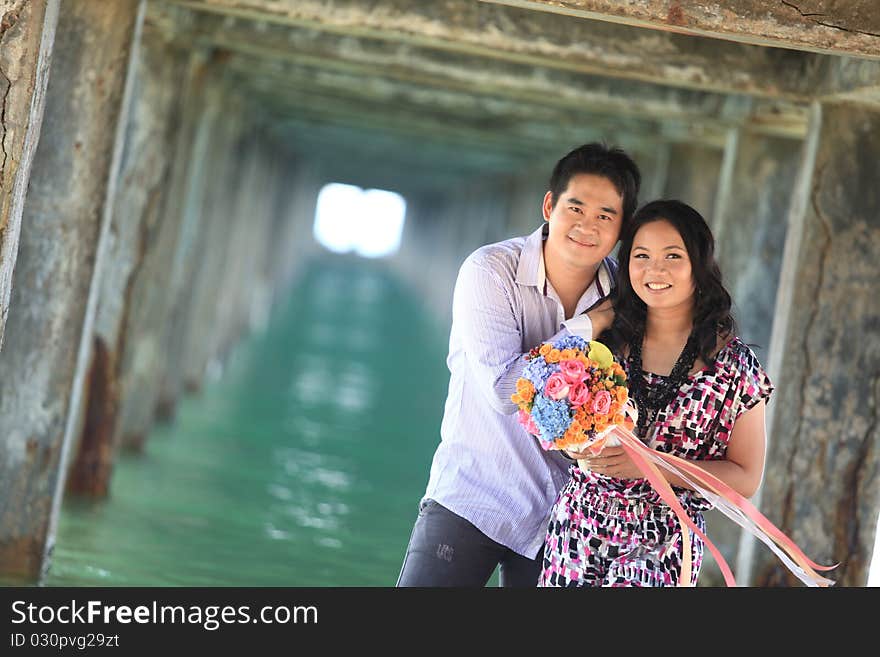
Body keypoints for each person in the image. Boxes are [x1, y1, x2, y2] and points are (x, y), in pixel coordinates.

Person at [396, 142, 641, 587]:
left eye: (606, 215)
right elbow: (505, 391)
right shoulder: (490, 271)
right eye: (576, 207)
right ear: (549, 205)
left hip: (565, 516)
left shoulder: (626, 295)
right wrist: (588, 325)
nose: (588, 226)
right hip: (473, 496)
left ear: (622, 229)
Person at [539, 199, 774, 587]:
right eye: (642, 255)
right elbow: (560, 423)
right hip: (577, 526)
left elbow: (746, 477)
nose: (655, 269)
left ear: (699, 266)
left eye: (672, 256)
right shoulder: (607, 342)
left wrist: (650, 466)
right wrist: (576, 446)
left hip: (664, 543)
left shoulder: (735, 367)